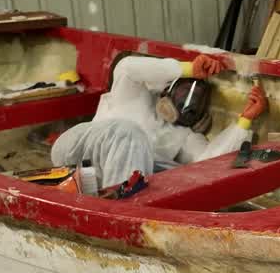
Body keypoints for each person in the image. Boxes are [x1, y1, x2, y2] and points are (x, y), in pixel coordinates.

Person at [50, 52, 267, 190]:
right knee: (129, 133)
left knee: (183, 175)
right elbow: (127, 66)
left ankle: (123, 205)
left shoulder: (186, 137)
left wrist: (244, 121)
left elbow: (210, 164)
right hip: (76, 151)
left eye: (197, 101)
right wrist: (188, 68)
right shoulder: (135, 95)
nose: (187, 103)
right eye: (184, 91)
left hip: (102, 180)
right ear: (168, 88)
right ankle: (122, 211)